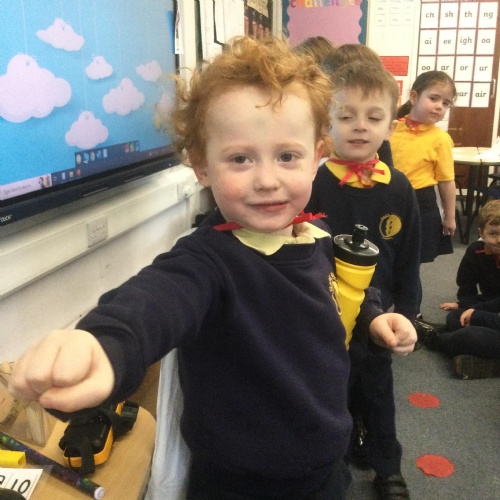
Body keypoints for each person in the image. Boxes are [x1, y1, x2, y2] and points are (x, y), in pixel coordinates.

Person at [9, 37, 417, 500]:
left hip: (325, 464)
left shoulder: (317, 236)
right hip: (239, 483)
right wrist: (103, 343)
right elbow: (157, 299)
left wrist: (373, 319)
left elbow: (337, 298)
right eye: (241, 159)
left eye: (287, 156)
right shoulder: (209, 261)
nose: (267, 180)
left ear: (317, 155)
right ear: (202, 166)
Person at [307, 59, 420, 500]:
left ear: (390, 127)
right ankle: (333, 461)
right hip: (324, 315)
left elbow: (409, 259)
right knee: (329, 392)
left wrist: (407, 313)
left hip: (379, 320)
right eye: (346, 116)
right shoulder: (312, 182)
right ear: (327, 122)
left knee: (377, 393)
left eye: (373, 117)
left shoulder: (400, 187)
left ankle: (387, 466)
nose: (359, 126)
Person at [390, 71, 457, 314]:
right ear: (414, 97)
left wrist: (450, 216)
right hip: (389, 200)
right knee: (385, 258)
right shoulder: (392, 128)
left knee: (410, 265)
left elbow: (447, 182)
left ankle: (411, 315)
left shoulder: (440, 139)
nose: (440, 107)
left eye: (446, 103)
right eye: (434, 98)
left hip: (421, 205)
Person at [419, 200, 500, 379]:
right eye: (493, 233)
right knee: (456, 317)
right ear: (481, 233)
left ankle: (434, 338)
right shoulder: (477, 251)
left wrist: (476, 314)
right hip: (492, 305)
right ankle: (481, 361)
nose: (499, 240)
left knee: (468, 336)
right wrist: (466, 306)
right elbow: (466, 288)